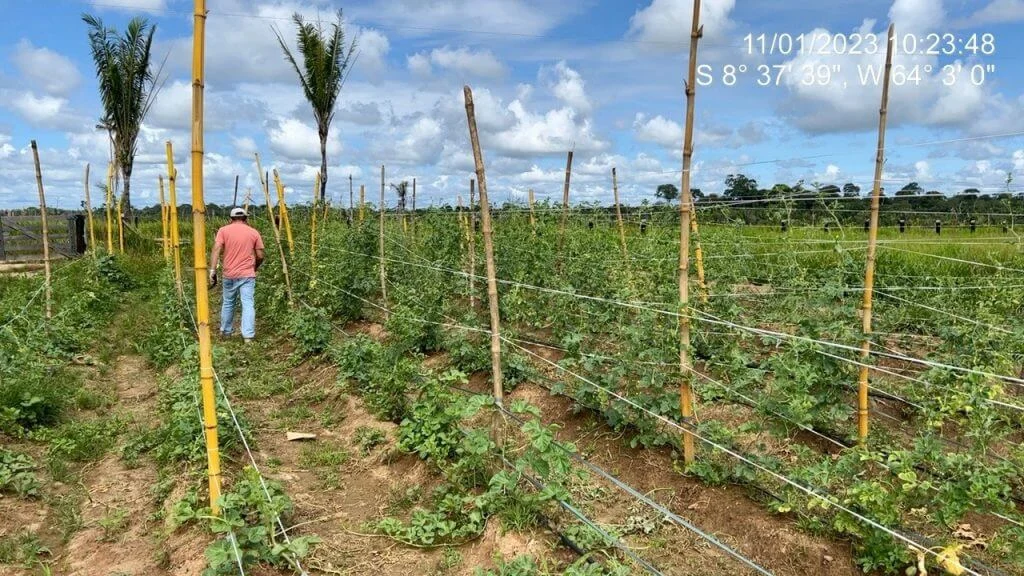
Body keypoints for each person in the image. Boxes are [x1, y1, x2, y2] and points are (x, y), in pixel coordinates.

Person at [209, 207, 265, 342]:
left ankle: (226, 332)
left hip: (229, 273)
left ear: (231, 218)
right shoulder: (253, 232)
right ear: (246, 219)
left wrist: (212, 270)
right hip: (247, 274)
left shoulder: (223, 230)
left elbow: (217, 249)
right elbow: (260, 255)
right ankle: (248, 336)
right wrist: (255, 266)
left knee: (228, 302)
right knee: (248, 304)